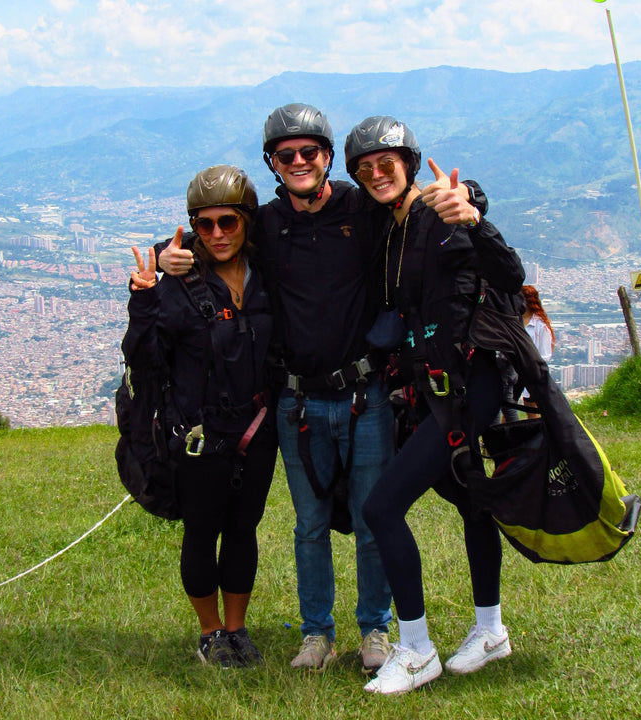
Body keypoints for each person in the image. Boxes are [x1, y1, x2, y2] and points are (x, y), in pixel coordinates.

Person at [157, 103, 484, 675]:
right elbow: (215, 231)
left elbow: (415, 204)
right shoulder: (267, 226)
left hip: (364, 394)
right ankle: (316, 633)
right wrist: (166, 255)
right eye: (288, 156)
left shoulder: (363, 210)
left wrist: (473, 199)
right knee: (308, 525)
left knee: (369, 518)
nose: (300, 162)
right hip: (296, 401)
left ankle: (375, 630)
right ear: (274, 165)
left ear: (330, 159)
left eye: (311, 153)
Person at [344, 116, 525, 694]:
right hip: (436, 386)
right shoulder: (392, 226)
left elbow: (508, 274)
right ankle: (491, 630)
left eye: (386, 163)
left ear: (411, 165)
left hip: (470, 382)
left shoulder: (436, 215)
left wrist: (472, 211)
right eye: (365, 168)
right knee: (472, 500)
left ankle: (417, 648)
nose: (376, 174)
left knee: (381, 508)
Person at [122, 165, 278, 668]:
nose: (216, 234)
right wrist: (143, 297)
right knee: (202, 532)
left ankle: (238, 629)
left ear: (246, 222)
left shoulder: (267, 279)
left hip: (255, 431)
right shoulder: (178, 284)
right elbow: (143, 357)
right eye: (204, 225)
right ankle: (211, 633)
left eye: (227, 222)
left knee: (243, 530)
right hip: (199, 433)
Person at [521, 284, 555, 416]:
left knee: (531, 410)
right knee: (508, 409)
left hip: (533, 373)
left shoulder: (540, 325)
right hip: (516, 372)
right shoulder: (517, 321)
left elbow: (545, 355)